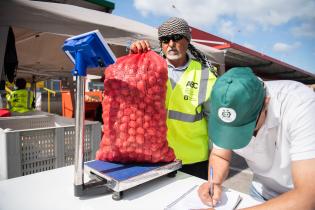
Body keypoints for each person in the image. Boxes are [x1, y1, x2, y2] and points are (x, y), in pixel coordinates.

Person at [198, 67, 315, 209]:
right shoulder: (227, 102)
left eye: (244, 127)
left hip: (296, 198)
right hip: (259, 192)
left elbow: (308, 196)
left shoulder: (301, 104)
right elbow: (220, 156)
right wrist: (214, 183)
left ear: (266, 103)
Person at [130, 17, 217, 180]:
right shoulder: (148, 69)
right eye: (165, 39)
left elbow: (214, 122)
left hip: (194, 161)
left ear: (188, 40)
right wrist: (133, 58)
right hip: (155, 157)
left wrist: (216, 159)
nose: (170, 44)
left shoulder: (206, 75)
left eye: (176, 38)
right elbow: (129, 94)